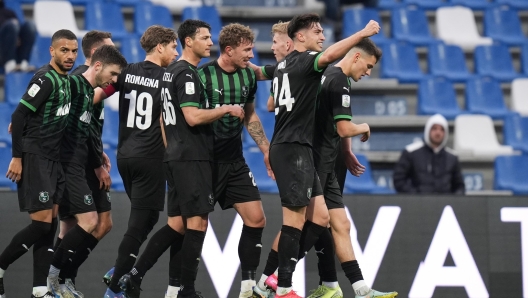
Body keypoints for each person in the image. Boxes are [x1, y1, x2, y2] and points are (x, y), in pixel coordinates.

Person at [117, 19, 244, 298]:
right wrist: (227, 108)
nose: (211, 42)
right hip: (191, 158)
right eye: (206, 37)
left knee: (176, 224)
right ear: (189, 41)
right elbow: (192, 116)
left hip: (174, 157)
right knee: (197, 224)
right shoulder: (186, 74)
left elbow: (164, 118)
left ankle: (134, 277)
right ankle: (186, 290)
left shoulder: (169, 72)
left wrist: (171, 148)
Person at [257, 14, 380, 298]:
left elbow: (270, 99)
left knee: (322, 217)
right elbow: (332, 55)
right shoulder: (307, 62)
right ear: (300, 37)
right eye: (317, 32)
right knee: (295, 221)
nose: (322, 37)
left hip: (295, 147)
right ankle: (277, 285)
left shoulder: (283, 67)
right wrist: (361, 33)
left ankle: (277, 282)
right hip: (295, 148)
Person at [163, 23, 273, 298]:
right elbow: (180, 115)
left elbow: (249, 115)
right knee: (188, 226)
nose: (251, 55)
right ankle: (175, 288)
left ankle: (248, 287)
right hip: (204, 159)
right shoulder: (202, 75)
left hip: (234, 159)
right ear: (229, 50)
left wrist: (265, 149)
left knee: (257, 219)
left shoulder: (247, 76)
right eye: (246, 50)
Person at [311, 37, 398, 298]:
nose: (369, 73)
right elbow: (345, 126)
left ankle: (361, 290)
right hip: (318, 163)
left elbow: (337, 119)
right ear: (356, 57)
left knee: (341, 224)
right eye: (369, 66)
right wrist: (365, 127)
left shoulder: (330, 75)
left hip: (326, 159)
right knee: (306, 227)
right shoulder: (340, 81)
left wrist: (346, 151)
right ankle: (272, 279)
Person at [98, 25, 178, 298]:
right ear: (160, 47)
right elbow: (162, 121)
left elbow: (98, 94)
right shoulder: (167, 78)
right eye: (173, 47)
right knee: (140, 222)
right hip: (151, 156)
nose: (175, 53)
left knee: (145, 218)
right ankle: (116, 284)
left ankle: (119, 268)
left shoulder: (127, 71)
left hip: (125, 156)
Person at [0, 29, 77, 298]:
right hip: (36, 157)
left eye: (74, 51)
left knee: (51, 224)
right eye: (64, 50)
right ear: (52, 51)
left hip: (54, 160)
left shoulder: (67, 81)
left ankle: (39, 289)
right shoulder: (45, 78)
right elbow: (19, 115)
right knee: (42, 225)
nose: (69, 56)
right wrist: (18, 157)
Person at [53, 40, 126, 298]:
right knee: (81, 223)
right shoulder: (79, 84)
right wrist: (96, 164)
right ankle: (55, 280)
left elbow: (87, 126)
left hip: (88, 157)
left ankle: (63, 278)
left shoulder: (91, 86)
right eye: (109, 47)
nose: (115, 49)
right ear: (97, 55)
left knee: (101, 223)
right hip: (77, 164)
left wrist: (99, 151)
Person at [393, 113, 465, 194]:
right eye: (434, 128)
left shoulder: (452, 157)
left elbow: (459, 186)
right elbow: (399, 180)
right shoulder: (411, 152)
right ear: (428, 130)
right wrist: (415, 196)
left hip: (445, 204)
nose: (438, 132)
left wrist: (452, 200)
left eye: (442, 129)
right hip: (418, 204)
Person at [0, 0, 36, 72]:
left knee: (30, 26)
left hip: (14, 47)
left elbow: (18, 29)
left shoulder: (9, 13)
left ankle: (22, 63)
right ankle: (9, 63)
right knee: (12, 25)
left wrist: (15, 38)